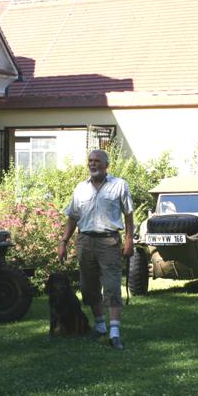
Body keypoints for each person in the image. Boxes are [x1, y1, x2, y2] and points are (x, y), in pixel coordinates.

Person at [57, 149, 135, 350]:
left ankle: (115, 332)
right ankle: (100, 326)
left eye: (97, 161)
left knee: (111, 285)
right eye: (90, 161)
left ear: (106, 165)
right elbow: (73, 217)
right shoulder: (80, 189)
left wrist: (129, 241)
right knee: (88, 286)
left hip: (109, 242)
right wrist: (63, 241)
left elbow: (128, 215)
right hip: (85, 241)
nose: (93, 164)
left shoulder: (119, 185)